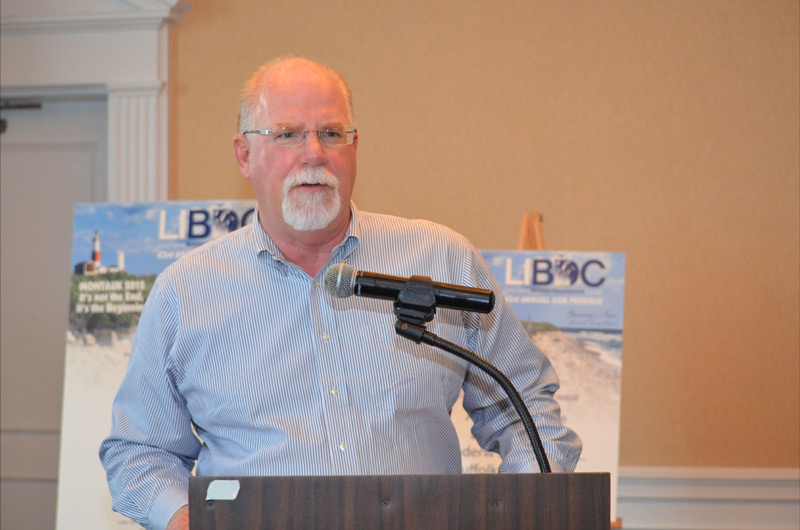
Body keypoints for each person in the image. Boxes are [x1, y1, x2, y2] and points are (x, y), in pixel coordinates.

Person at [100, 56, 581, 530]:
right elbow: (139, 451)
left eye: (331, 133)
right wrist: (183, 520)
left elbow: (526, 406)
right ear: (244, 155)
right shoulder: (185, 292)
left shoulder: (441, 259)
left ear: (354, 147)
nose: (314, 153)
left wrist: (526, 510)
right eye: (287, 134)